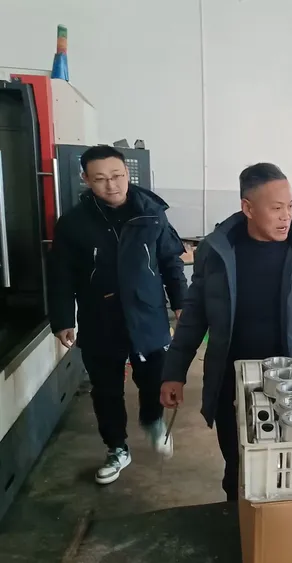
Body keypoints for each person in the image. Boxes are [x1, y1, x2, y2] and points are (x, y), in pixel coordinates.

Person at [160, 163, 292, 500]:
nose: (286, 217)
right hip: (232, 382)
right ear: (247, 208)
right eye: (276, 208)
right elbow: (194, 316)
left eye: (290, 206)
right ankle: (240, 519)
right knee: (238, 467)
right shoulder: (217, 252)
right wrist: (174, 373)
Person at [48, 145, 187, 485]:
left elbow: (170, 261)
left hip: (148, 314)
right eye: (100, 179)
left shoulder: (152, 214)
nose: (111, 185)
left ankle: (152, 421)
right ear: (85, 179)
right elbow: (60, 275)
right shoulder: (73, 224)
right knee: (106, 390)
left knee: (154, 379)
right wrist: (63, 319)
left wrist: (182, 303)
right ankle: (116, 448)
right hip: (100, 317)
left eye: (117, 176)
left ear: (127, 173)